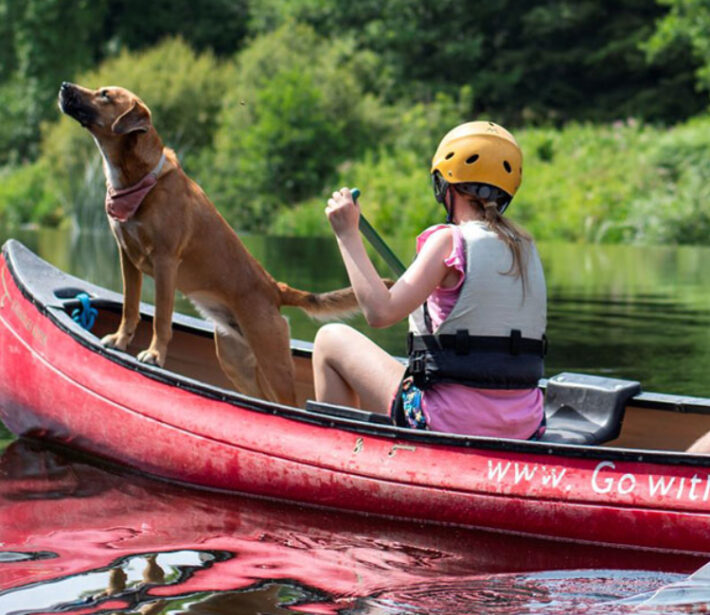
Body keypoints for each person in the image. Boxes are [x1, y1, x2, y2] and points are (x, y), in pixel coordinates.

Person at [313, 121, 547, 439]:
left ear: (444, 184)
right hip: (525, 425)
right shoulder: (526, 247)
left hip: (450, 421)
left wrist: (347, 234)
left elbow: (379, 313)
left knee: (331, 339)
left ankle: (339, 459)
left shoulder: (448, 242)